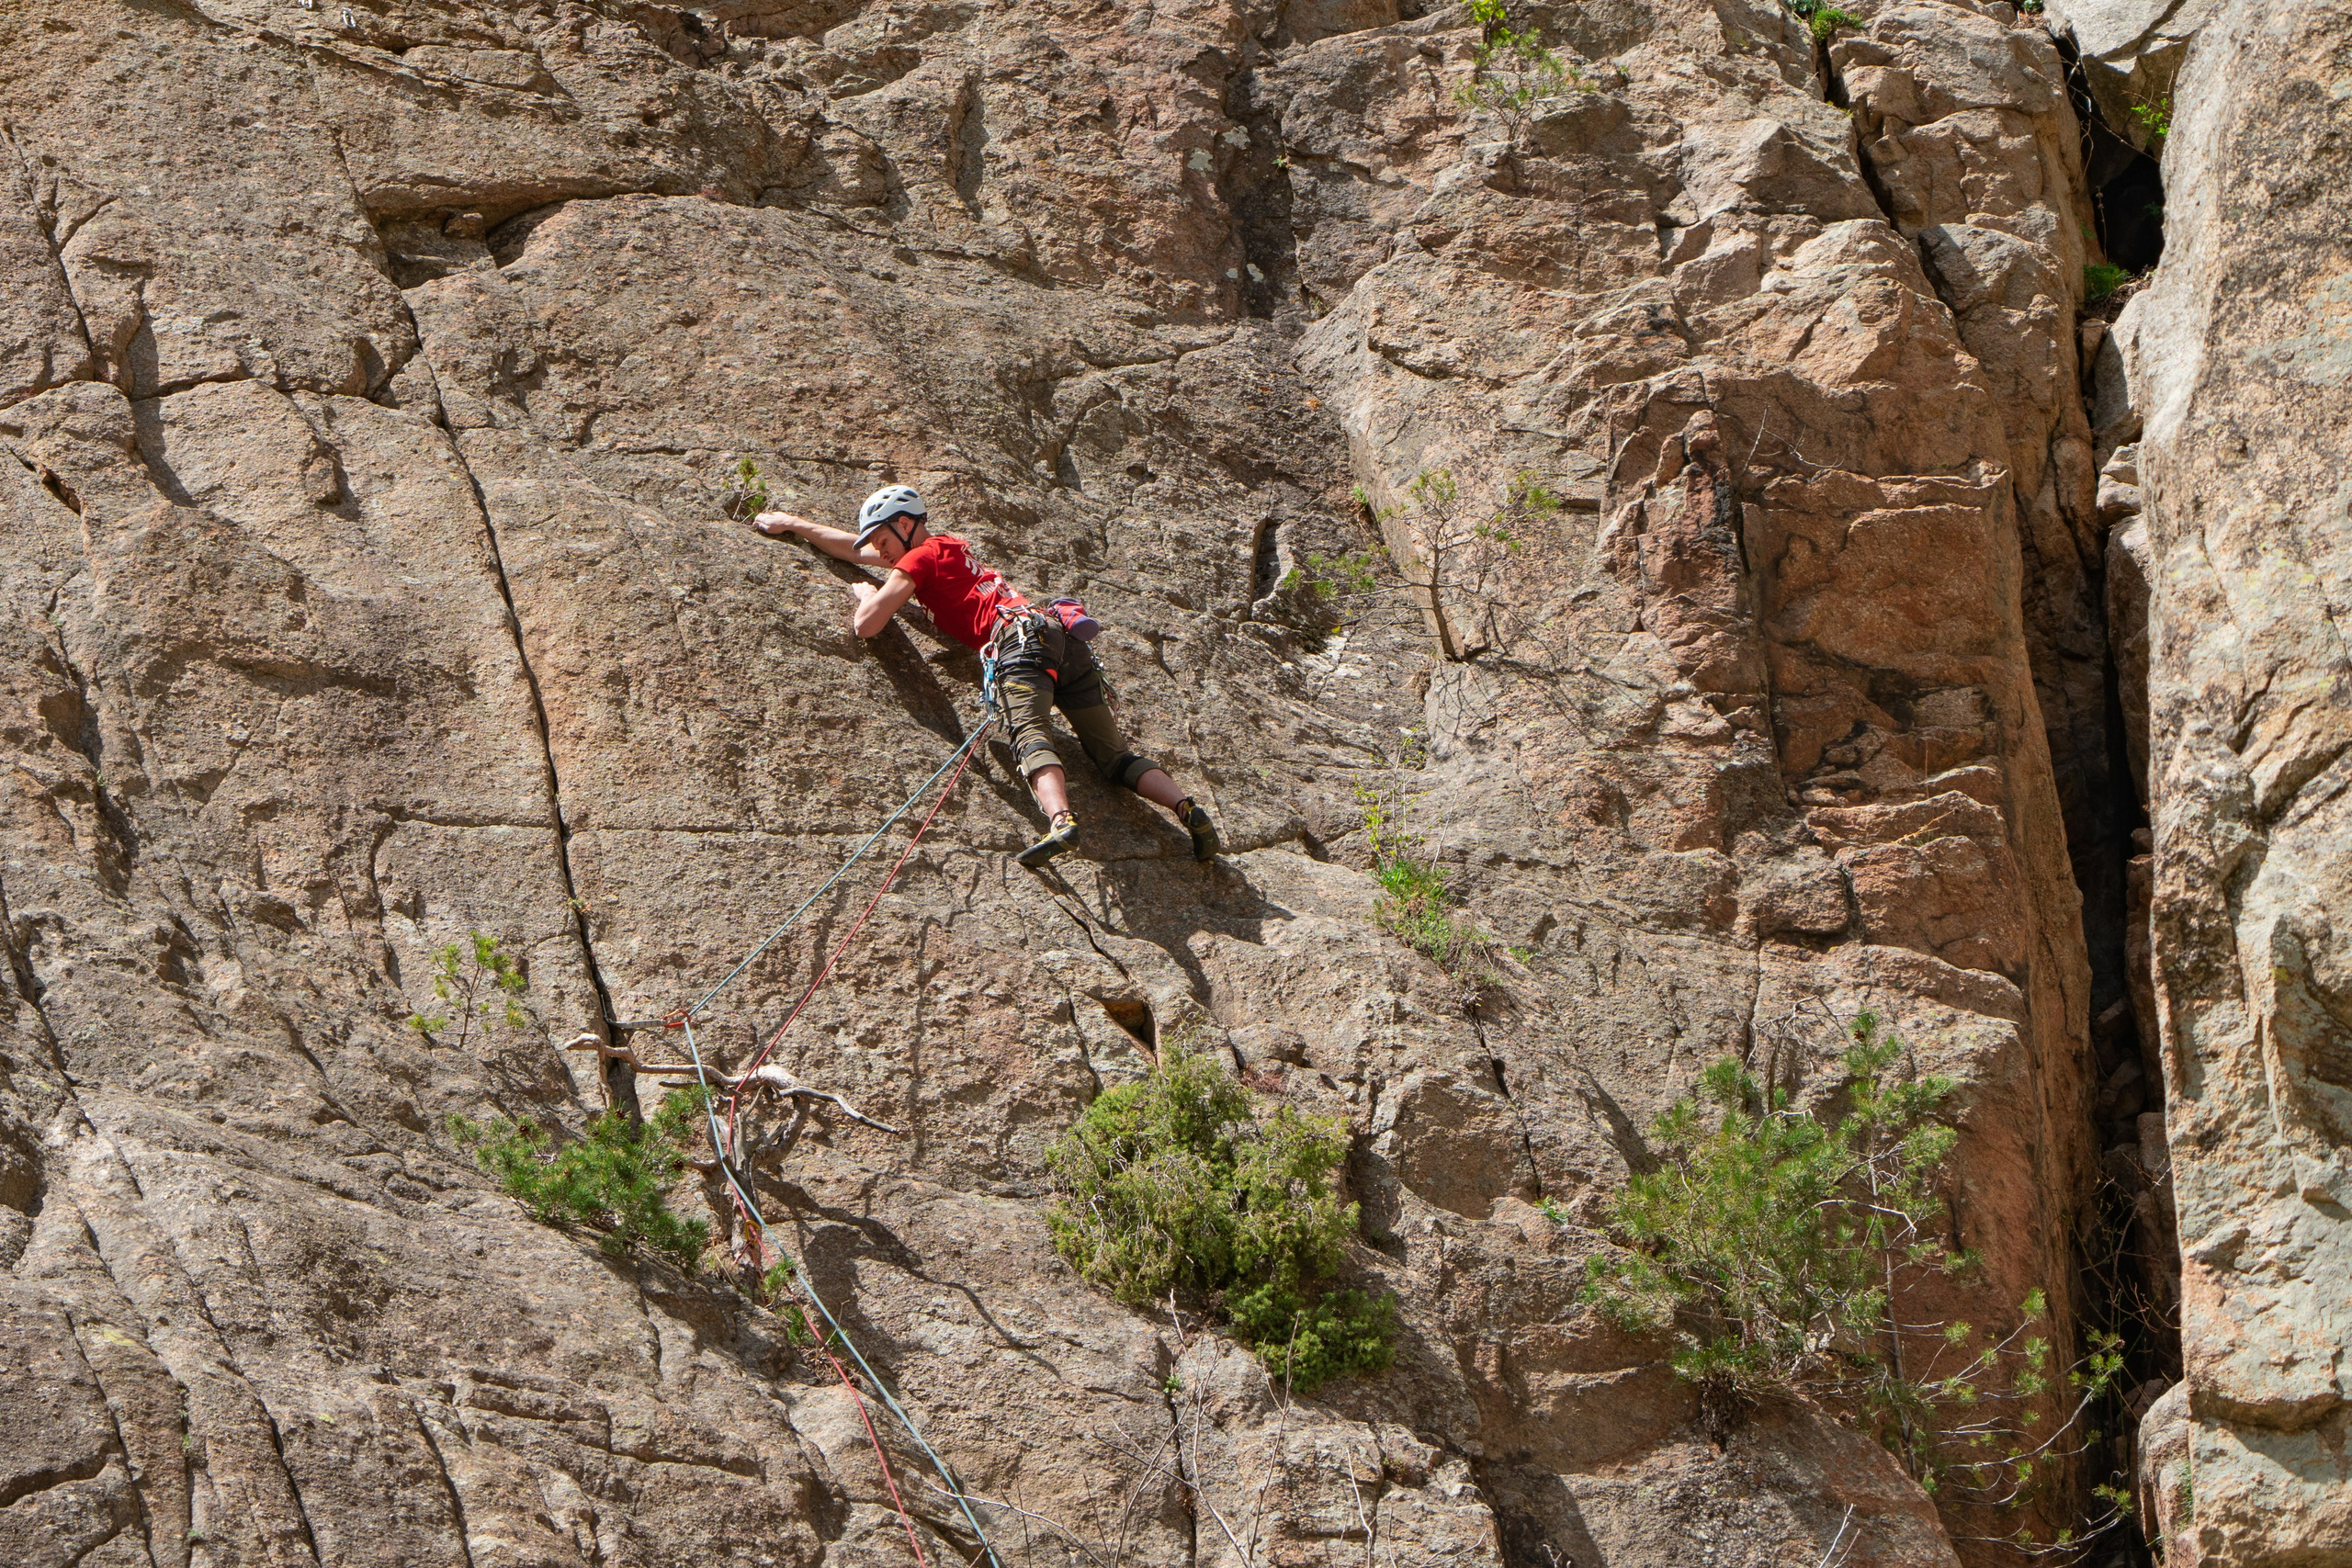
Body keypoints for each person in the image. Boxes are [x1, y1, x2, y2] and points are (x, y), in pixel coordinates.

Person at [753, 485, 1219, 868]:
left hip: (1018, 645)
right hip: (1061, 639)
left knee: (1030, 733)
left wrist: (863, 597)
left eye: (882, 538)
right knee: (1115, 758)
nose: (878, 549)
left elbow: (867, 625)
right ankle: (1187, 808)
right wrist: (794, 524)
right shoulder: (945, 549)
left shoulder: (917, 559)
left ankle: (1061, 821)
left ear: (905, 524)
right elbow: (851, 550)